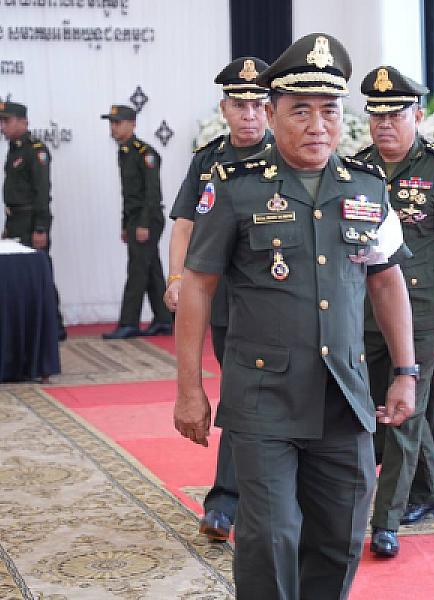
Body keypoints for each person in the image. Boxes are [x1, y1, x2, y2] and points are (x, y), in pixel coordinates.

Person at [173, 33, 417, 599]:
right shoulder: (234, 189)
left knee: (340, 535)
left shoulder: (367, 188)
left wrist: (406, 371)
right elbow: (197, 288)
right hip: (264, 399)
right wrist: (189, 389)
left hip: (343, 396)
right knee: (271, 537)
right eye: (300, 111)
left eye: (329, 111)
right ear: (272, 114)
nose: (316, 125)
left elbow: (386, 280)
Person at [352, 66, 434, 558]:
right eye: (377, 115)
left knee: (403, 413)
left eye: (395, 114)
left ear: (418, 116)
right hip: (367, 311)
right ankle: (432, 491)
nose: (384, 124)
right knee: (378, 405)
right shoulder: (356, 169)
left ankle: (386, 521)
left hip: (423, 312)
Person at [164, 57, 274, 542]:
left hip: (281, 300)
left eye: (258, 105)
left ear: (270, 109)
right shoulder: (208, 160)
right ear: (224, 108)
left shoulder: (288, 156)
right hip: (226, 301)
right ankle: (227, 501)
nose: (249, 114)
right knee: (240, 396)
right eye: (240, 105)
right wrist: (176, 277)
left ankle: (246, 498)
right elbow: (185, 223)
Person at [0, 101, 66, 340]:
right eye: (0, 121)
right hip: (15, 221)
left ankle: (55, 326)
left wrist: (41, 227)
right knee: (18, 276)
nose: (2, 126)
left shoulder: (36, 150)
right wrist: (8, 227)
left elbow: (42, 192)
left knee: (40, 275)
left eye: (6, 120)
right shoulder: (14, 149)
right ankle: (30, 325)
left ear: (23, 122)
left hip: (31, 221)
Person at [99, 104, 173, 339]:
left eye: (117, 123)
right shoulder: (125, 151)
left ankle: (128, 322)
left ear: (132, 124)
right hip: (135, 219)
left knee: (137, 271)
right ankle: (165, 319)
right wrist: (125, 224)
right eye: (111, 123)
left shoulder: (145, 153)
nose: (113, 127)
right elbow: (129, 195)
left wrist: (143, 224)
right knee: (151, 270)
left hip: (148, 219)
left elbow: (152, 194)